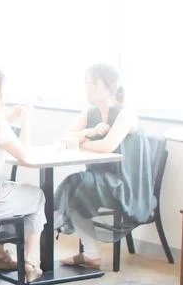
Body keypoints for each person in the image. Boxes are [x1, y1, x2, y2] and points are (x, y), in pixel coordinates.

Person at [56, 64, 158, 269]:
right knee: (73, 187)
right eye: (86, 83)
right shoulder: (90, 113)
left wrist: (80, 142)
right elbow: (62, 138)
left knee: (74, 185)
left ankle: (90, 254)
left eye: (92, 84)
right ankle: (91, 255)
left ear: (109, 86)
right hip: (100, 180)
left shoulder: (126, 113)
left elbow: (107, 146)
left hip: (125, 184)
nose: (87, 88)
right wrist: (88, 133)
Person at [0, 71, 45, 280]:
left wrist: (8, 119)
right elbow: (25, 156)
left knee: (11, 190)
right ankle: (31, 263)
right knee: (36, 196)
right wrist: (26, 121)